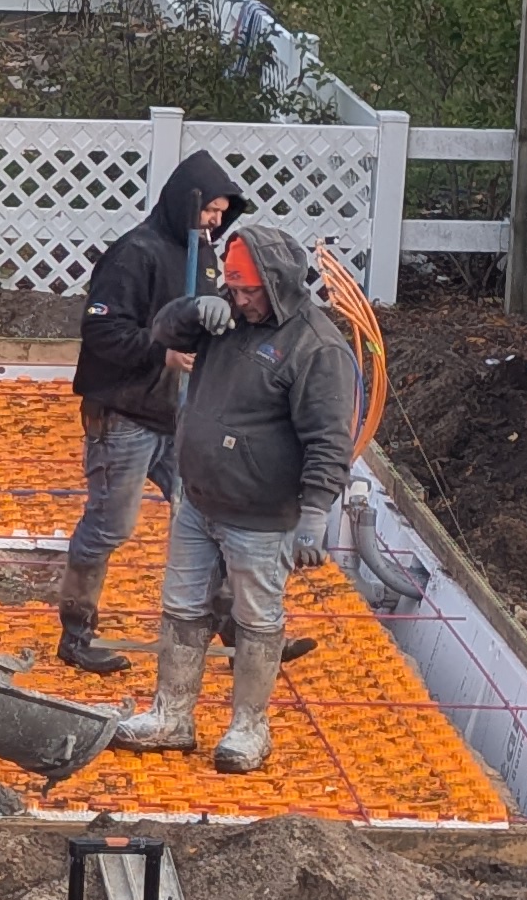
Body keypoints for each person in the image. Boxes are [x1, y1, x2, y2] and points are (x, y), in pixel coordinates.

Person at [139, 208, 372, 771]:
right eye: (231, 287)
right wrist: (193, 308)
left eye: (246, 291)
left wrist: (316, 510)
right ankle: (171, 716)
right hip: (197, 500)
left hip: (262, 516)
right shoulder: (227, 322)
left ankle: (249, 727)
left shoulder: (316, 349)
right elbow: (162, 333)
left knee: (256, 620)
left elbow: (327, 441)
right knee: (182, 607)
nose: (238, 300)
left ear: (277, 283)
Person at [57, 145, 243, 670]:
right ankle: (76, 632)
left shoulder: (204, 257)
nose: (214, 222)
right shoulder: (133, 254)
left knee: (211, 512)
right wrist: (162, 354)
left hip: (177, 417)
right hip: (123, 412)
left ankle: (232, 625)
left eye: (221, 215)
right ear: (187, 203)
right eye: (209, 211)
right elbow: (100, 329)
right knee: (111, 524)